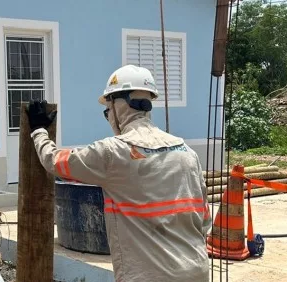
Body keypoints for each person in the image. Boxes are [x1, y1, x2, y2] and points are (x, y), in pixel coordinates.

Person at [25, 65, 211, 281]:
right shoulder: (187, 153)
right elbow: (204, 221)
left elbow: (55, 161)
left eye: (107, 112)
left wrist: (39, 131)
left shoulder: (113, 153)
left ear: (116, 106)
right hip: (197, 270)